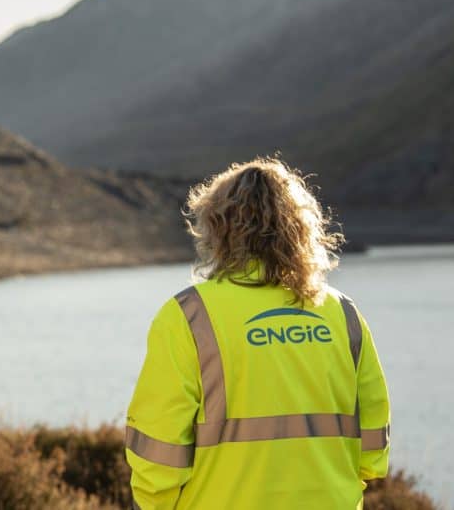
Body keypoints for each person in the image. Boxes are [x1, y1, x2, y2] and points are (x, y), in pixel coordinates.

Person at [125, 158, 390, 509]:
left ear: (216, 228)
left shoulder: (188, 317)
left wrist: (156, 504)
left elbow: (159, 451)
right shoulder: (342, 314)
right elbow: (373, 444)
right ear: (302, 228)